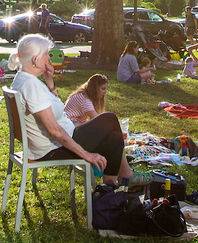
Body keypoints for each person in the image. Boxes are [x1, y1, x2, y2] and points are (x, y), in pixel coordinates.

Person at [9, 34, 133, 185]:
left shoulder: (22, 79)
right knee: (110, 120)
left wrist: (49, 79)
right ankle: (122, 177)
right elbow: (55, 131)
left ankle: (111, 184)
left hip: (53, 141)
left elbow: (54, 106)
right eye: (46, 54)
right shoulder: (31, 85)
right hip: (53, 148)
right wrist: (87, 155)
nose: (49, 57)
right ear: (35, 59)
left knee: (113, 135)